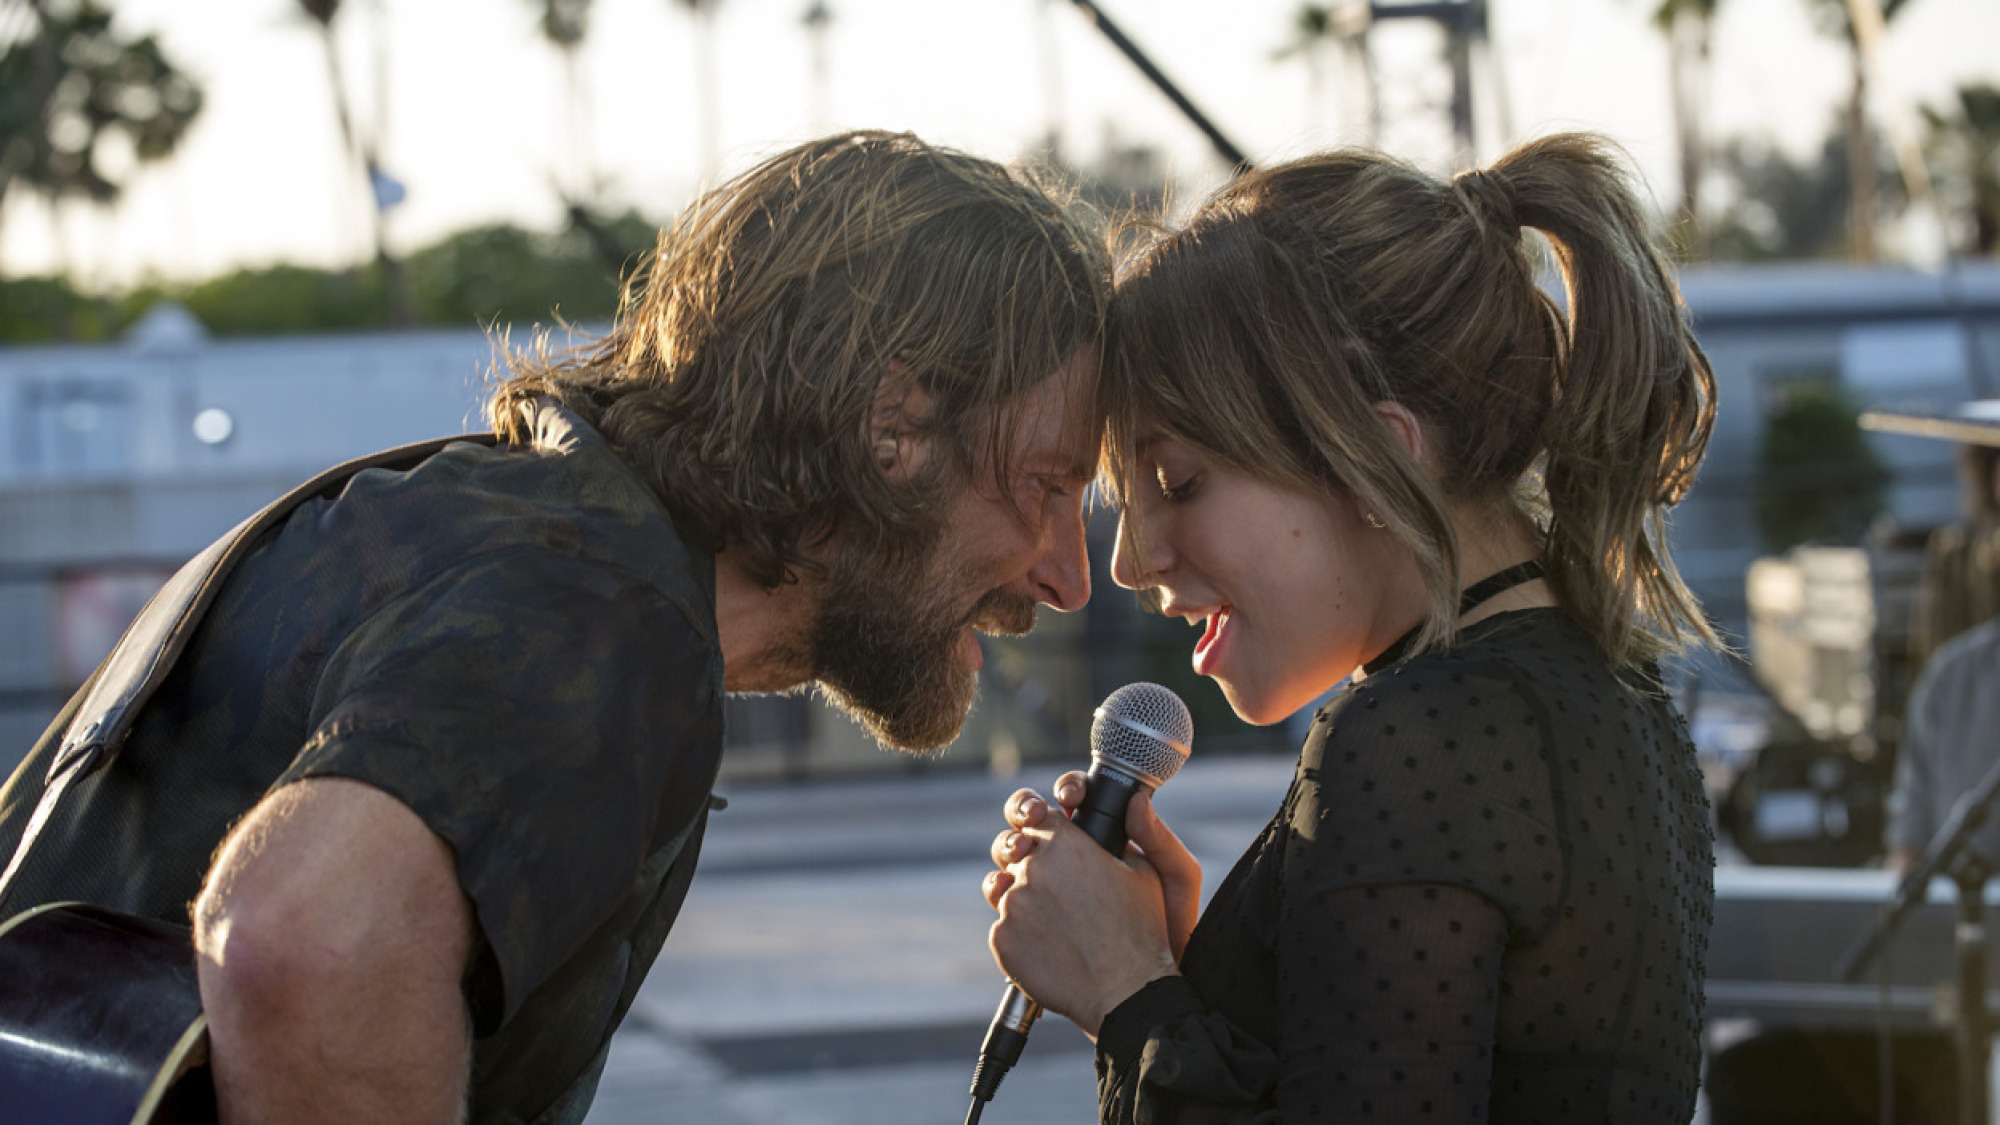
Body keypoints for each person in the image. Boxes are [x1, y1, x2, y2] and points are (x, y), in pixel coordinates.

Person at [0, 131, 1108, 1124]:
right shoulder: (596, 614)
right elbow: (309, 943)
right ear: (893, 429)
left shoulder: (479, 528)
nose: (1068, 578)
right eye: (1045, 486)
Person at [981, 133, 1720, 1122]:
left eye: (1177, 483)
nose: (1130, 562)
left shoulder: (1418, 734)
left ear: (1380, 457)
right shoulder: (1607, 691)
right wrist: (1182, 972)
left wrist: (1127, 997)